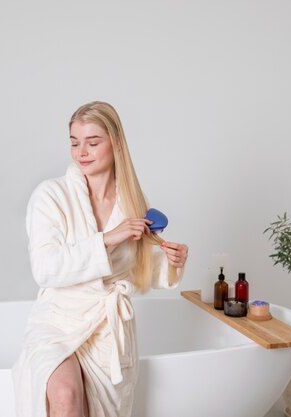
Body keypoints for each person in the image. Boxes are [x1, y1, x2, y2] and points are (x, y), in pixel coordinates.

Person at [12, 101, 189, 417]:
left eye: (93, 142)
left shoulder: (133, 203)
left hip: (107, 333)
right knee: (65, 396)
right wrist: (110, 237)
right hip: (58, 321)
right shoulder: (50, 196)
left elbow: (135, 271)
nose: (82, 152)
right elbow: (45, 269)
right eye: (74, 142)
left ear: (116, 143)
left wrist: (172, 261)